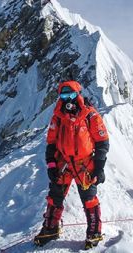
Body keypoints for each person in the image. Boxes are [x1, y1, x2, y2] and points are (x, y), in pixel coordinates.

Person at [34, 81, 110, 249]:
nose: (68, 99)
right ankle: (50, 228)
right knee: (55, 196)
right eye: (64, 95)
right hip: (63, 163)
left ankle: (94, 232)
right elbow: (51, 143)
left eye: (71, 95)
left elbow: (102, 142)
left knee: (89, 198)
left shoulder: (90, 115)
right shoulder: (58, 117)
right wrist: (52, 165)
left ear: (78, 94)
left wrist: (99, 167)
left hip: (85, 163)